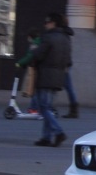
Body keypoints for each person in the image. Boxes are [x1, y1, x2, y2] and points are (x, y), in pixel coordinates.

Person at [30, 12, 72, 147]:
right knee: (47, 107)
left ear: (53, 23)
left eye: (46, 22)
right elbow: (68, 60)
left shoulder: (48, 37)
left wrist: (33, 52)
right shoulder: (66, 38)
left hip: (46, 75)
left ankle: (58, 131)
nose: (45, 25)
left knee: (44, 108)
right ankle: (46, 137)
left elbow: (38, 54)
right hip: (58, 76)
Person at [62, 23, 79, 118]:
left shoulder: (63, 35)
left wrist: (66, 65)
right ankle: (74, 109)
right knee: (69, 87)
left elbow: (66, 52)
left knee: (68, 87)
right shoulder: (66, 35)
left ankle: (74, 110)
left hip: (64, 65)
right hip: (66, 64)